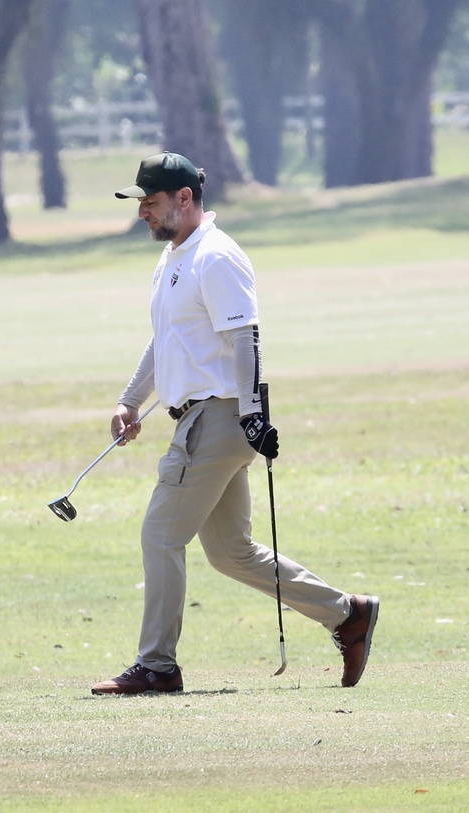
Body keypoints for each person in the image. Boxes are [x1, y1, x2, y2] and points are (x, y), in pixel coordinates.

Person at [91, 152, 379, 696]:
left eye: (150, 203)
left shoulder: (216, 257)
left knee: (160, 534)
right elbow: (166, 335)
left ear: (184, 198)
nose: (142, 215)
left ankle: (157, 665)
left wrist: (250, 415)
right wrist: (131, 401)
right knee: (231, 554)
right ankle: (348, 613)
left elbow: (245, 337)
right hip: (199, 418)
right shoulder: (177, 255)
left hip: (217, 418)